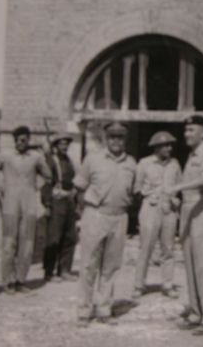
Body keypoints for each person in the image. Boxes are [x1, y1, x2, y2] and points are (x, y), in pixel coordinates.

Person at [164, 115, 203, 336]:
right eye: (186, 130)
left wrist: (177, 187)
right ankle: (196, 313)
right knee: (190, 263)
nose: (186, 134)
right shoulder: (191, 155)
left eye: (191, 130)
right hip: (190, 209)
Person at [74, 122, 138, 327]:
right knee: (88, 265)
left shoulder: (131, 163)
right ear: (105, 139)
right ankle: (84, 311)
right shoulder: (92, 159)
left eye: (120, 138)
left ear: (125, 140)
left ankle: (104, 309)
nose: (116, 141)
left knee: (111, 266)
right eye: (112, 137)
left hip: (119, 217)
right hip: (95, 215)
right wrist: (83, 214)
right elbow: (79, 188)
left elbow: (134, 193)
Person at [0, 125, 52, 294]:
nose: (21, 142)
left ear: (28, 140)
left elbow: (48, 175)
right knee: (9, 243)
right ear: (14, 140)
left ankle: (21, 280)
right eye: (19, 139)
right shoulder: (6, 155)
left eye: (25, 139)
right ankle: (7, 281)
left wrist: (35, 186)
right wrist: (0, 186)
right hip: (10, 204)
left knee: (27, 244)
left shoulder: (35, 157)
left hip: (29, 204)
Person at [132, 131, 182, 300]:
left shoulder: (175, 164)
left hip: (169, 209)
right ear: (157, 147)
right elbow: (136, 188)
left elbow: (179, 185)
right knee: (146, 247)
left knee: (168, 248)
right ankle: (139, 285)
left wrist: (175, 198)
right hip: (151, 207)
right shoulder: (144, 164)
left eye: (170, 145)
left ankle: (167, 285)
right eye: (165, 145)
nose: (169, 148)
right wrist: (149, 196)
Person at [42, 132, 77, 282]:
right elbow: (46, 183)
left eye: (66, 143)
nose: (65, 146)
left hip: (69, 200)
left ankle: (64, 270)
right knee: (54, 238)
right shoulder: (50, 161)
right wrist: (47, 204)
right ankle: (49, 272)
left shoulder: (68, 160)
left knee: (70, 237)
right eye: (61, 143)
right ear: (55, 146)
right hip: (56, 201)